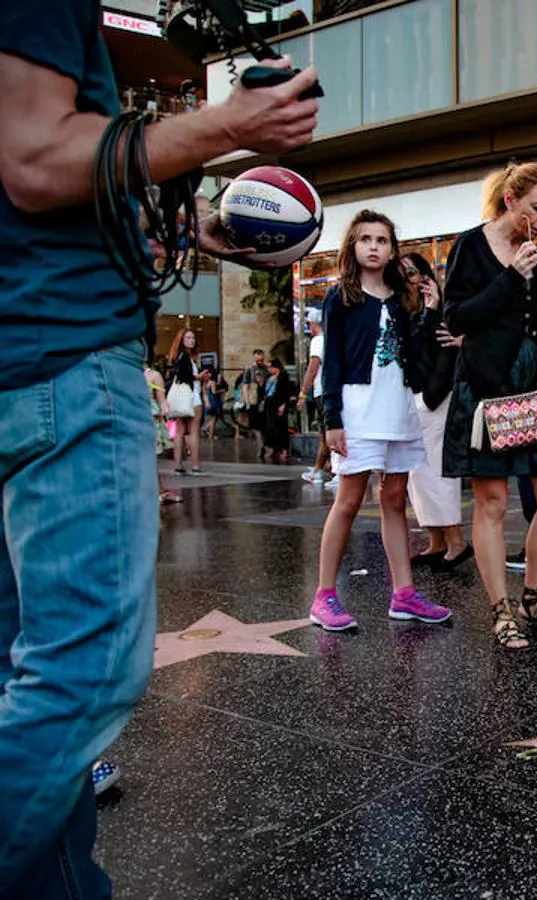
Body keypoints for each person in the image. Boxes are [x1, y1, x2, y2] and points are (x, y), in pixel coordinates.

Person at [0, 1, 318, 890]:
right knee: (82, 676)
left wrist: (182, 228)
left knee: (22, 676)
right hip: (60, 359)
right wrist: (222, 126)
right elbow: (31, 160)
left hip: (29, 356)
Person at [442, 162, 537, 651]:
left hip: (532, 392)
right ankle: (501, 610)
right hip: (485, 390)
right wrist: (510, 277)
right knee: (493, 503)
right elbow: (456, 316)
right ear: (511, 201)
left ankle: (534, 596)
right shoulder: (471, 245)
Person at [311, 210, 450, 632]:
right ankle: (324, 596)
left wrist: (429, 312)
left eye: (382, 240)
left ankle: (404, 594)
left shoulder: (401, 298)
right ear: (352, 246)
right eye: (365, 238)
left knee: (394, 499)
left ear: (393, 248)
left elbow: (417, 354)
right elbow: (331, 361)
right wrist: (331, 417)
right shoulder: (341, 297)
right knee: (349, 500)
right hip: (357, 408)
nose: (374, 246)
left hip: (398, 407)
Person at [404, 251, 472, 572]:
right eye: (402, 274)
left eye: (413, 273)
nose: (409, 280)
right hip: (413, 397)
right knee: (417, 476)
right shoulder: (407, 311)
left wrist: (431, 396)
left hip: (434, 398)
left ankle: (455, 540)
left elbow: (443, 352)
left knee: (434, 473)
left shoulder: (440, 310)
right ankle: (436, 540)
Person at [166, 327, 208, 475]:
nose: (192, 340)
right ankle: (195, 466)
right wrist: (199, 377)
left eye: (193, 338)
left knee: (179, 431)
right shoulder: (185, 356)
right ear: (182, 340)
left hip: (181, 399)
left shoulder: (178, 356)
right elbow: (185, 377)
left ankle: (178, 465)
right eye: (188, 338)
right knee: (194, 432)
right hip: (192, 397)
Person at [300, 308, 334, 485]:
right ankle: (320, 467)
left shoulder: (318, 341)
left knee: (326, 432)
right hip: (331, 389)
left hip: (322, 390)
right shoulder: (331, 339)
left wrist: (303, 393)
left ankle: (320, 470)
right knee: (328, 431)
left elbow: (312, 368)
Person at [144, 364, 181, 504]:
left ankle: (159, 491)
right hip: (131, 420)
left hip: (149, 421)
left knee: (148, 458)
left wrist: (168, 414)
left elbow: (162, 400)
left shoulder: (154, 375)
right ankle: (158, 491)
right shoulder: (125, 373)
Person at [262, 356, 294, 464]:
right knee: (270, 427)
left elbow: (286, 391)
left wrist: (283, 404)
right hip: (269, 403)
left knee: (280, 427)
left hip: (278, 403)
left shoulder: (283, 376)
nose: (269, 369)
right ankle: (273, 448)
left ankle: (283, 449)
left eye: (271, 367)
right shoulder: (268, 377)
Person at [237, 347, 268, 451]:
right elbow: (245, 385)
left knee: (263, 424)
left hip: (264, 399)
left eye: (261, 359)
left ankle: (264, 445)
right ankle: (261, 446)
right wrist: (247, 402)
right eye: (258, 359)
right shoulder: (250, 369)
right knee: (255, 424)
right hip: (253, 399)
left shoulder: (266, 369)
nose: (260, 361)